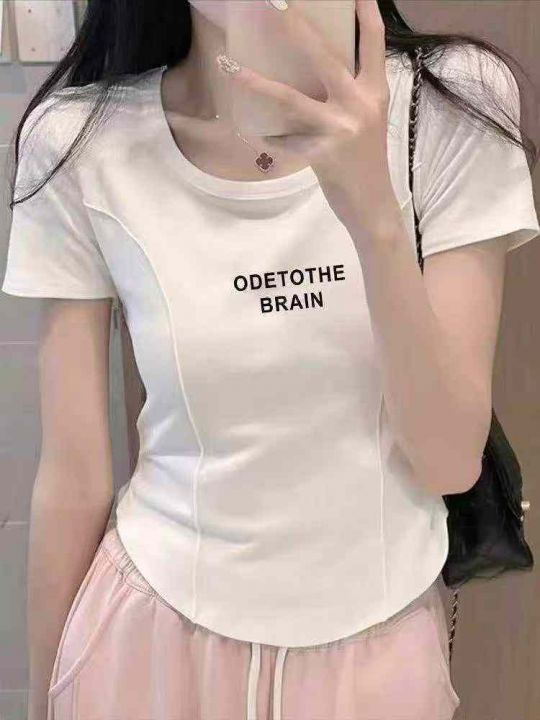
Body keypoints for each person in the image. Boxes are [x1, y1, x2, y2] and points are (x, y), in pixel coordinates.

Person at [2, 1, 539, 719]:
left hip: (376, 652)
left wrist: (372, 209)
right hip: (149, 643)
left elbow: (448, 462)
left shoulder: (451, 101)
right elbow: (73, 480)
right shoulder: (80, 139)